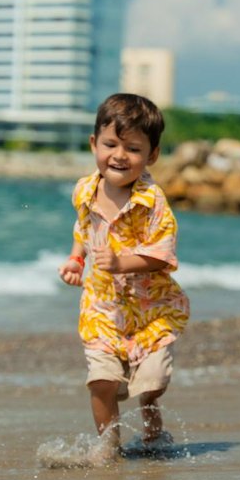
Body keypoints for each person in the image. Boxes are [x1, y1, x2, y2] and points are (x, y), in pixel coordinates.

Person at [58, 93, 190, 458]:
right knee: (100, 381)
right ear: (93, 144)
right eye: (110, 144)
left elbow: (162, 255)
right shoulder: (85, 189)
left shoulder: (153, 202)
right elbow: (82, 228)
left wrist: (122, 263)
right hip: (102, 308)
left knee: (154, 381)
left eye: (132, 148)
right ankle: (107, 447)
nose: (119, 155)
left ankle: (150, 413)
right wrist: (75, 260)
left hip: (150, 309)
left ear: (152, 155)